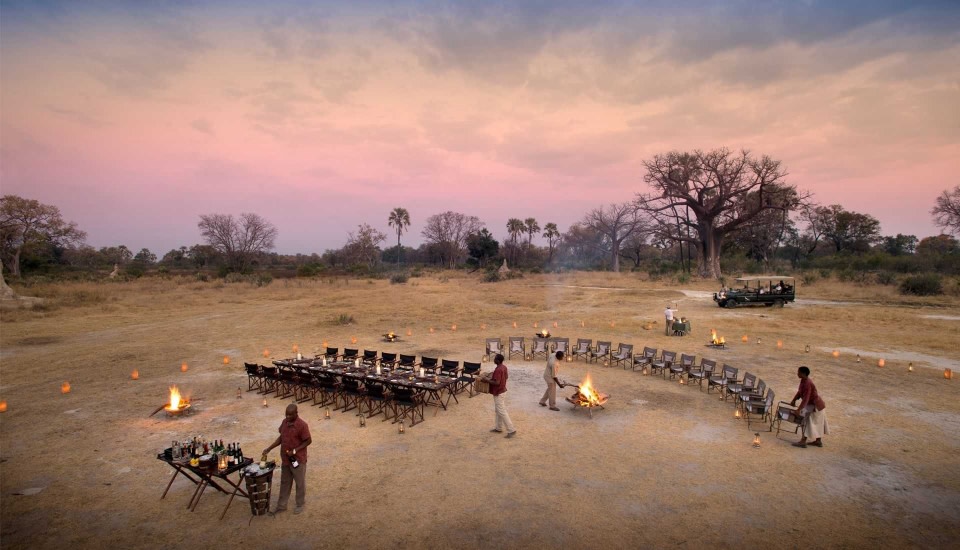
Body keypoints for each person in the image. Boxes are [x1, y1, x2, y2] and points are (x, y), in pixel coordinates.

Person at [262, 403, 312, 514]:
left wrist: (295, 451)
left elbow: (308, 441)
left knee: (299, 483)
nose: (287, 417)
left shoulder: (302, 425)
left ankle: (300, 504)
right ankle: (281, 506)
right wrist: (269, 448)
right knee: (285, 482)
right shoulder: (284, 423)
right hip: (285, 459)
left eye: (290, 415)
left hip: (298, 459)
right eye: (286, 415)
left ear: (296, 414)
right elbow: (281, 438)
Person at [790, 366, 828, 448]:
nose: (797, 373)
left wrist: (799, 410)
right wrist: (794, 400)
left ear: (803, 373)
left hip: (816, 405)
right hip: (813, 405)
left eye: (799, 372)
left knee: (805, 420)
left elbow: (806, 398)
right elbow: (800, 392)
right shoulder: (803, 381)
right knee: (815, 422)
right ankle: (818, 441)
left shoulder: (807, 383)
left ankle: (803, 441)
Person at [485, 353, 517, 438]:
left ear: (498, 361)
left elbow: (496, 382)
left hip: (499, 392)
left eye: (495, 359)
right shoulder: (504, 367)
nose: (494, 360)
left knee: (501, 411)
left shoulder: (498, 369)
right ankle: (498, 428)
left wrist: (486, 380)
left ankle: (511, 429)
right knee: (498, 410)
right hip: (502, 390)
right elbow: (506, 377)